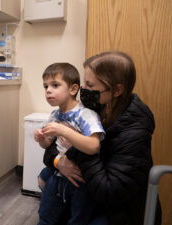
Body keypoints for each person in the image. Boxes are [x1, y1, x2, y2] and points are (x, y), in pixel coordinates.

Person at [44, 51, 162, 225]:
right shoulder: (97, 106)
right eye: (84, 82)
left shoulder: (135, 130)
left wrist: (77, 145)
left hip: (117, 208)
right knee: (48, 181)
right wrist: (58, 162)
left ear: (117, 90)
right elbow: (51, 150)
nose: (83, 89)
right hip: (88, 185)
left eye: (90, 85)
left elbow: (109, 191)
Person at [34, 63, 105, 225]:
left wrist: (64, 131)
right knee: (45, 214)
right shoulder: (55, 115)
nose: (48, 90)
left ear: (73, 89)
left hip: (81, 180)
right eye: (45, 86)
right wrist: (41, 139)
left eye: (55, 85)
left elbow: (94, 146)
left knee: (78, 219)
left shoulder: (86, 115)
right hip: (58, 175)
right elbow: (47, 145)